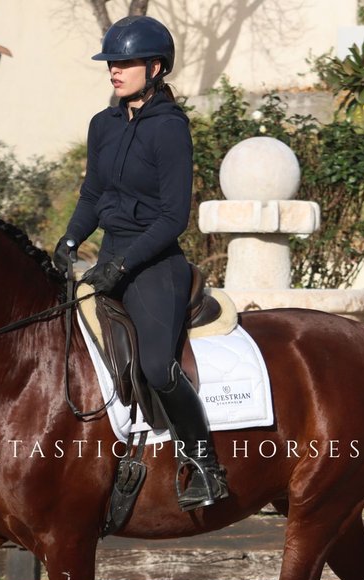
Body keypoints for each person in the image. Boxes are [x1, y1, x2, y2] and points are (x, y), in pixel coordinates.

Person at [54, 14, 229, 510]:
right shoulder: (102, 125)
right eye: (112, 61)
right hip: (108, 255)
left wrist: (123, 265)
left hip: (154, 264)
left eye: (125, 62)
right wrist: (69, 240)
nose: (114, 69)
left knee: (154, 364)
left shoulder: (170, 129)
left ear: (155, 68)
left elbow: (174, 217)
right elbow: (92, 195)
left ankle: (203, 462)